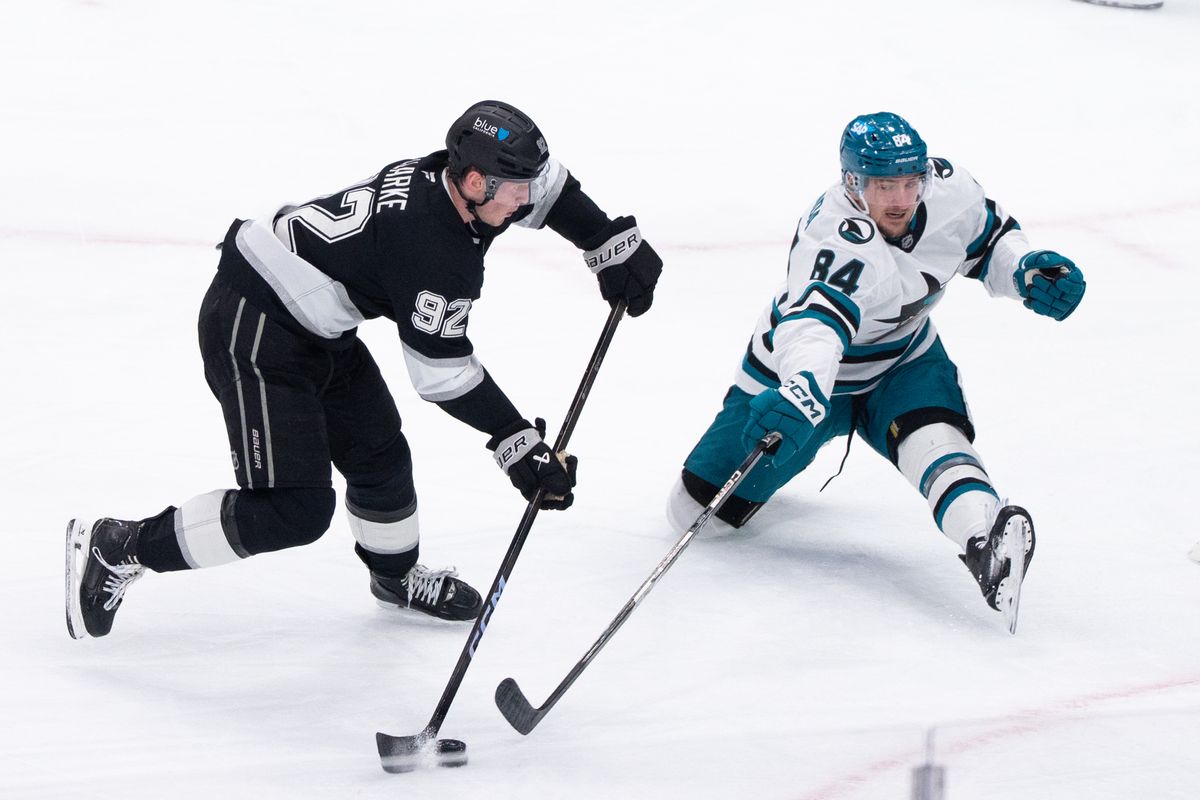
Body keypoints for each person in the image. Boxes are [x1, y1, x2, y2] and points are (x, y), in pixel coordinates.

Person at [65, 100, 663, 640]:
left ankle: (395, 578)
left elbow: (548, 185)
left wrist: (606, 240)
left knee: (379, 455)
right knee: (293, 509)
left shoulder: (451, 180)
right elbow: (442, 374)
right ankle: (122, 546)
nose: (525, 201)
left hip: (312, 323)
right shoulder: (434, 251)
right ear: (476, 181)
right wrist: (516, 441)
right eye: (514, 190)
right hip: (254, 325)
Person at [667, 112, 1084, 622]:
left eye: (911, 182)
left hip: (901, 359)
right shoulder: (835, 235)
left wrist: (1024, 268)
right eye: (886, 185)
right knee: (696, 514)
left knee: (935, 439)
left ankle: (985, 543)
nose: (903, 199)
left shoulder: (950, 191)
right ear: (853, 183)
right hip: (807, 384)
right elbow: (816, 328)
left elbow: (990, 239)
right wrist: (800, 392)